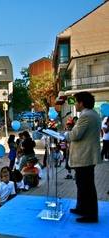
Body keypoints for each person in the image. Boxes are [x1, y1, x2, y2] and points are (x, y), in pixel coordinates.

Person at [64, 91, 100, 223]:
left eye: (76, 101)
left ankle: (90, 214)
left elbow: (75, 135)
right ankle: (81, 207)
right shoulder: (92, 114)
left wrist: (65, 135)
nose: (75, 104)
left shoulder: (86, 116)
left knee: (87, 186)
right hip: (85, 156)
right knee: (81, 183)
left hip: (85, 156)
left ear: (82, 103)